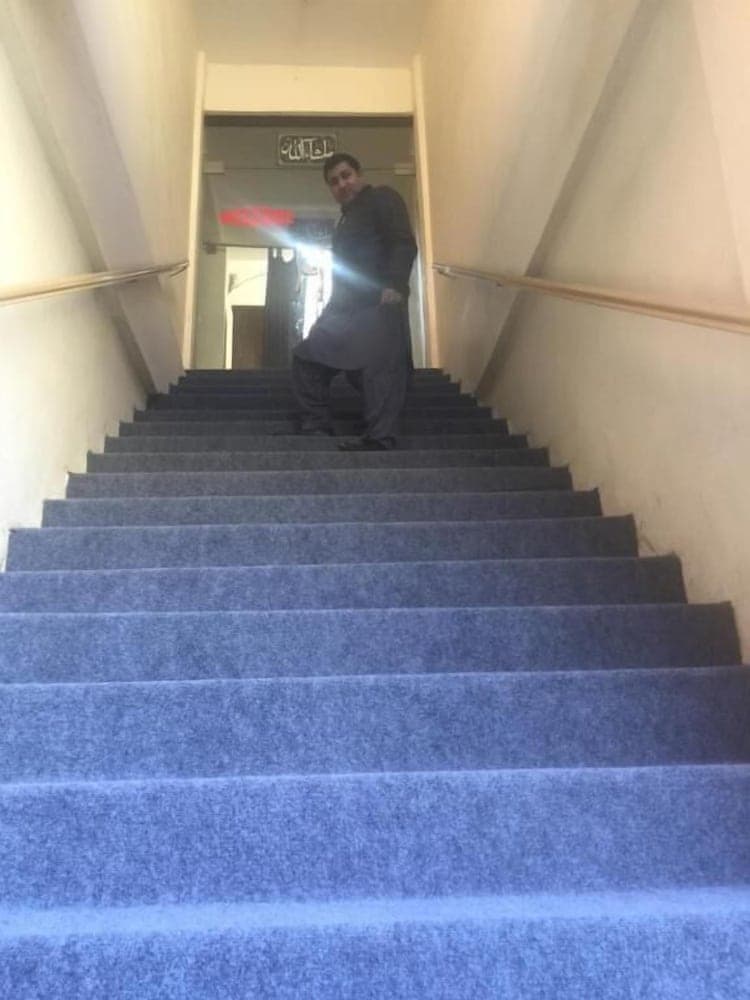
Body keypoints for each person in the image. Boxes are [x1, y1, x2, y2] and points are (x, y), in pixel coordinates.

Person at [291, 152, 417, 450]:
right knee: (307, 356)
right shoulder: (345, 221)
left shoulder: (383, 198)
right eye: (334, 182)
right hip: (345, 309)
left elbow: (402, 242)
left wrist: (394, 284)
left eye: (346, 176)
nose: (342, 184)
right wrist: (328, 313)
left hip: (380, 301)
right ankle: (316, 427)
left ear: (359, 175)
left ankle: (380, 438)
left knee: (380, 371)